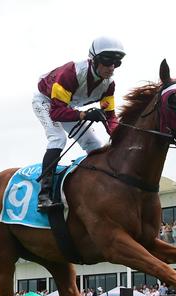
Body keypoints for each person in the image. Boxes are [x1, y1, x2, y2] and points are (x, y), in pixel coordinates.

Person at [33, 36, 125, 211]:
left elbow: (110, 116)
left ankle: (98, 187)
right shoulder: (71, 73)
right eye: (107, 62)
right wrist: (85, 114)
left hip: (67, 106)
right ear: (94, 59)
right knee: (57, 138)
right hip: (46, 102)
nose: (111, 67)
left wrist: (119, 136)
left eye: (116, 63)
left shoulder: (109, 85)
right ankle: (43, 195)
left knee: (94, 144)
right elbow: (56, 112)